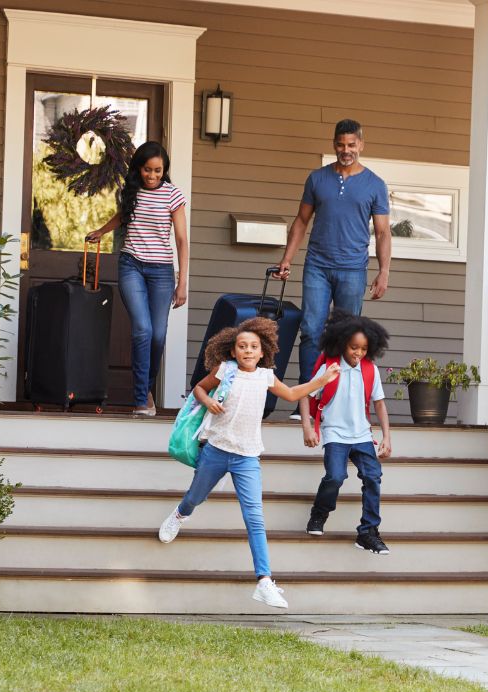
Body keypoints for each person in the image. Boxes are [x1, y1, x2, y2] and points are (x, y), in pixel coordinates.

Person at [158, 317, 340, 608]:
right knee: (195, 496)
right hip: (216, 451)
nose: (248, 351)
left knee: (255, 519)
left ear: (262, 351)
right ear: (233, 351)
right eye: (242, 346)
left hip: (248, 457)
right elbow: (198, 389)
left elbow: (292, 393)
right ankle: (180, 514)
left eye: (253, 346)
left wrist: (321, 381)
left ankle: (264, 581)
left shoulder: (266, 376)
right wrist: (207, 402)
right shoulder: (225, 369)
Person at [274, 119, 391, 420]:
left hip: (353, 269)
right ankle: (306, 404)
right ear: (334, 144)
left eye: (352, 145)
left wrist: (384, 271)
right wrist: (287, 259)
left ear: (361, 145)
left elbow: (382, 233)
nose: (346, 150)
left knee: (347, 335)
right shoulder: (317, 179)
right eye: (341, 144)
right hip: (317, 265)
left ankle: (337, 404)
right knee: (311, 331)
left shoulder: (375, 184)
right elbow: (301, 221)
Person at [87, 141, 188, 416]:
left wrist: (183, 283)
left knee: (158, 336)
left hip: (162, 272)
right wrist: (102, 231)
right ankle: (141, 399)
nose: (152, 176)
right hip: (131, 265)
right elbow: (123, 217)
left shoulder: (172, 195)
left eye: (158, 171)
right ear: (139, 168)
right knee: (142, 330)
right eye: (147, 170)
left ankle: (146, 389)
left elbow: (181, 239)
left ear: (164, 170)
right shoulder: (130, 191)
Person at [299, 310, 392, 554]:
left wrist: (387, 437)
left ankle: (368, 532)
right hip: (335, 434)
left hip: (361, 435)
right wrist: (308, 427)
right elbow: (305, 395)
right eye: (353, 347)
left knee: (373, 477)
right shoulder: (330, 369)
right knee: (336, 477)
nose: (358, 353)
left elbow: (380, 403)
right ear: (341, 343)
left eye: (363, 349)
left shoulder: (370, 370)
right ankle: (319, 513)